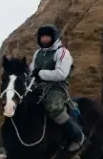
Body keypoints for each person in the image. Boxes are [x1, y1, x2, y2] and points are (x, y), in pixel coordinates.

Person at [29, 23, 84, 151]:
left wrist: (40, 73)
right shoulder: (38, 53)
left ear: (53, 37)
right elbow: (32, 70)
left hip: (57, 87)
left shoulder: (62, 52)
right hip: (39, 85)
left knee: (52, 106)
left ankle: (77, 135)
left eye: (47, 37)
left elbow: (61, 74)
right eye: (42, 37)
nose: (44, 40)